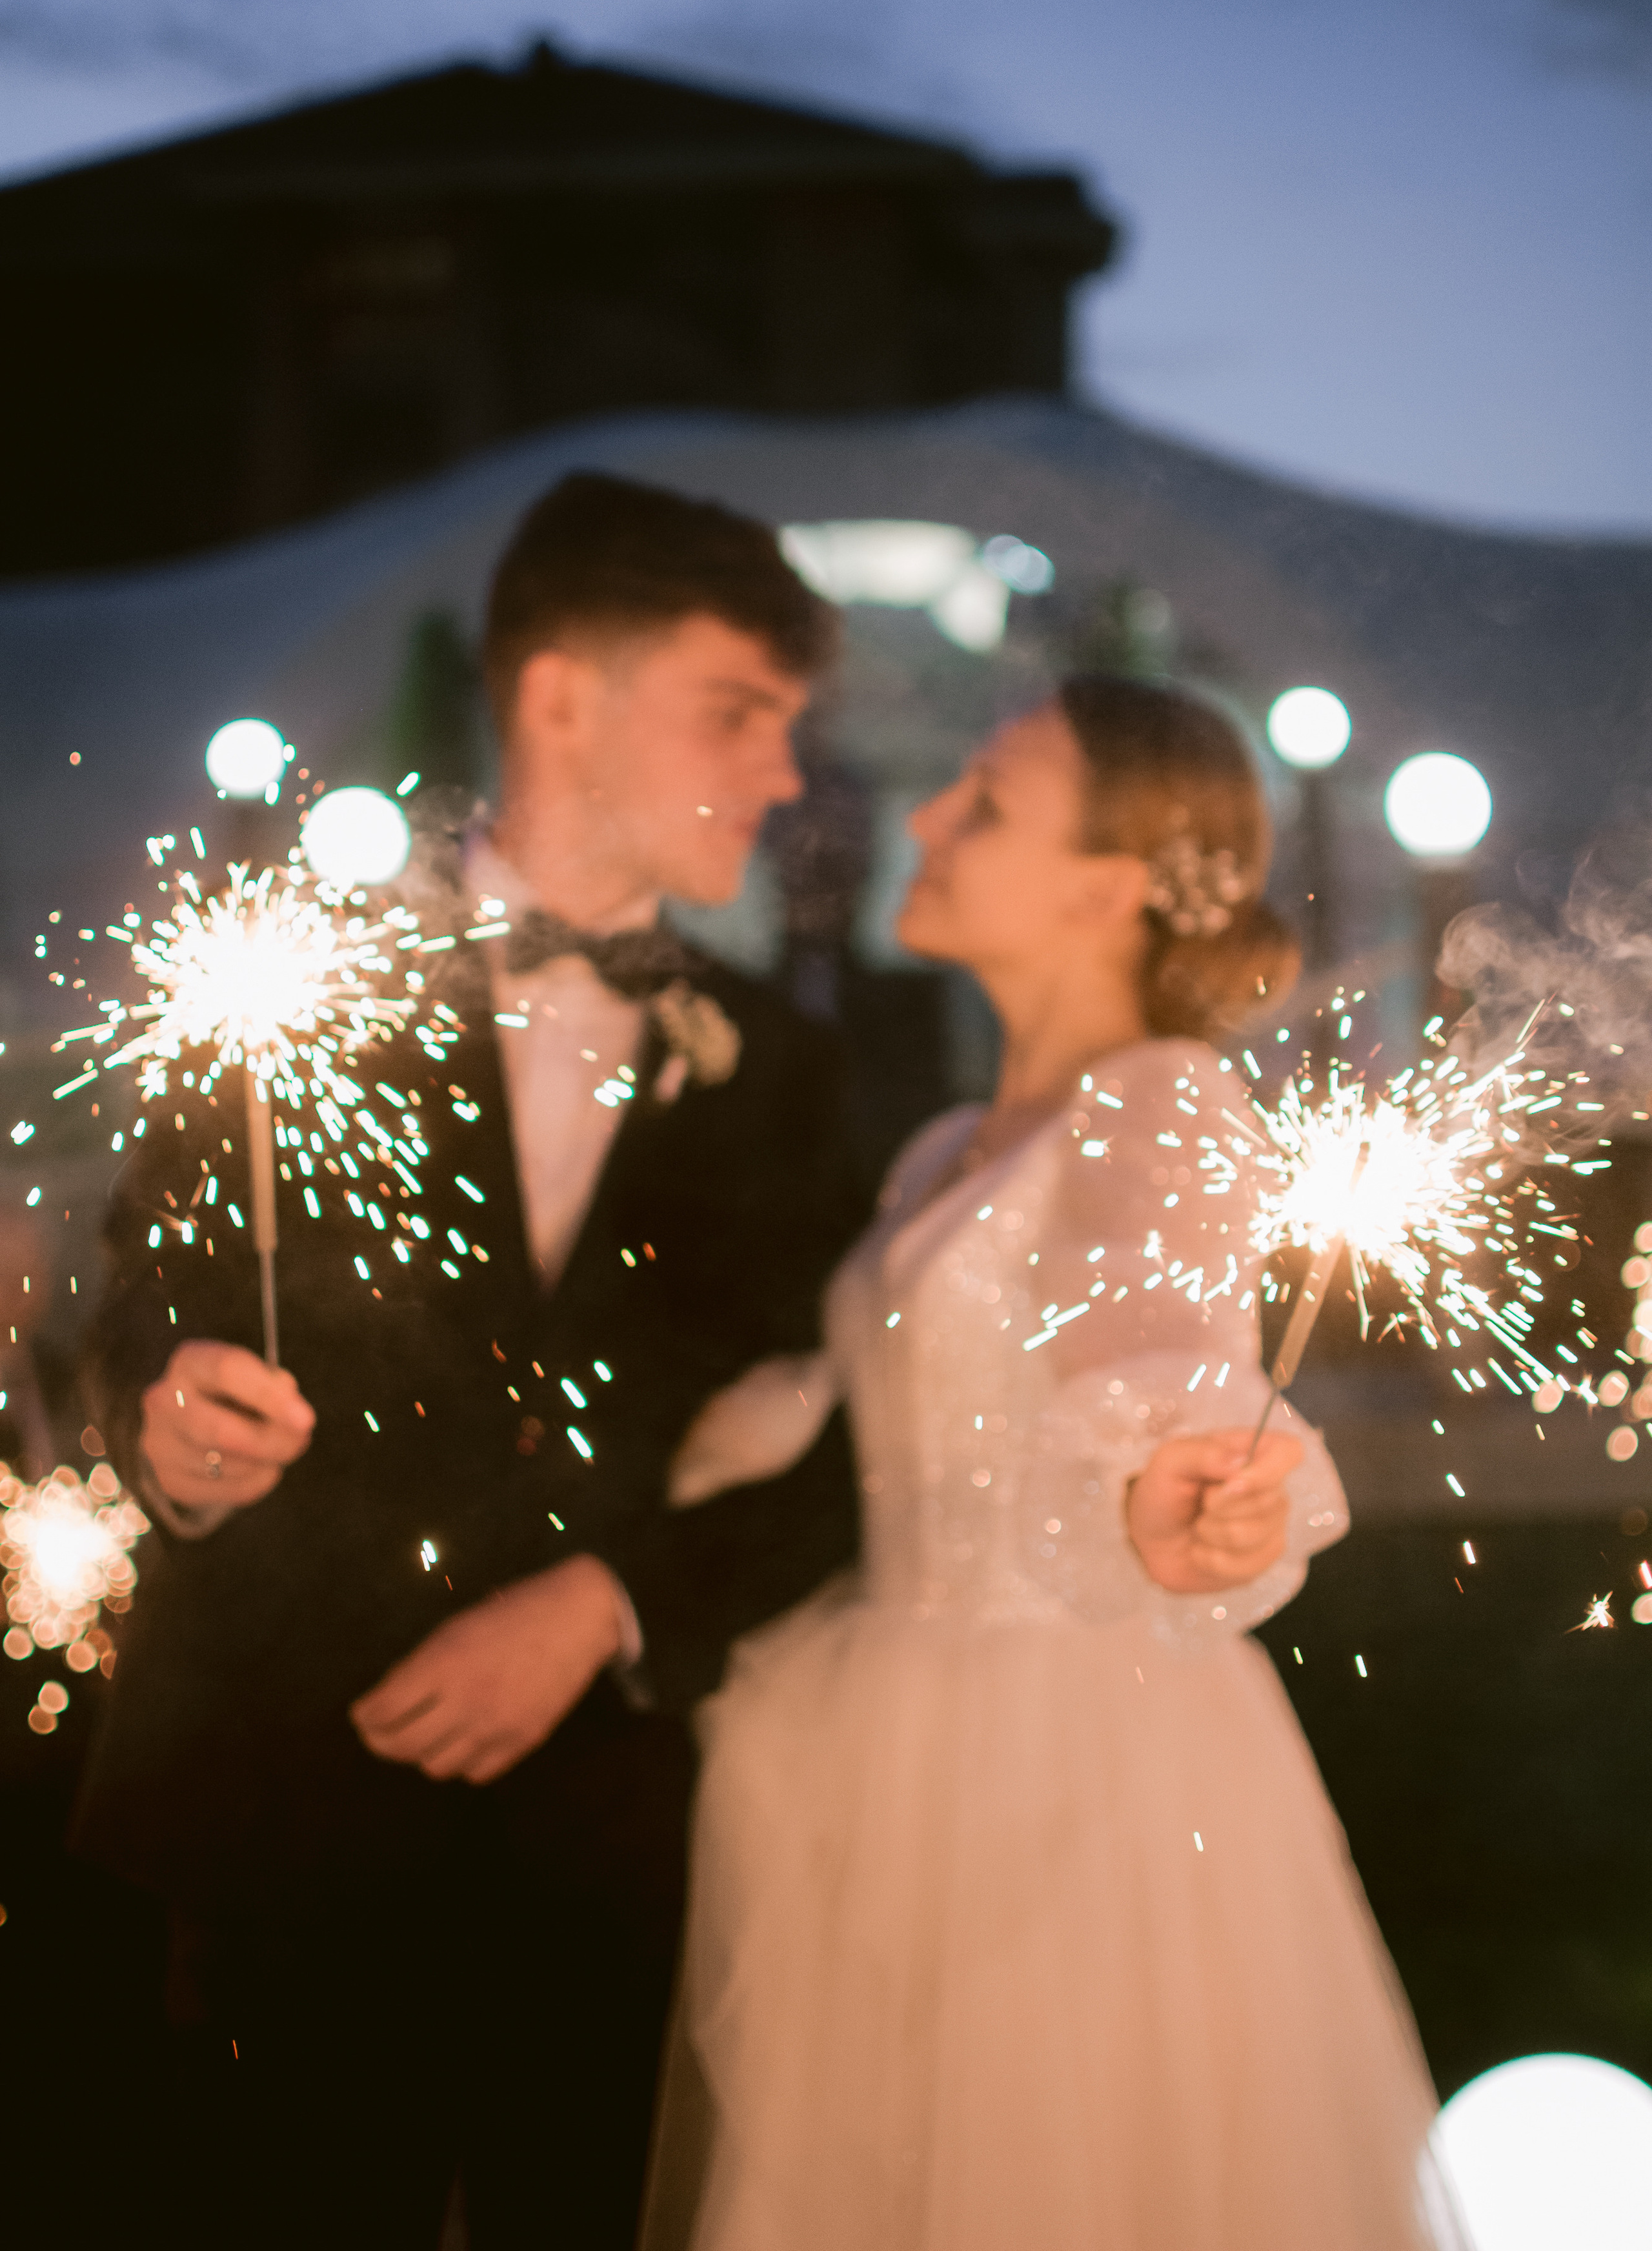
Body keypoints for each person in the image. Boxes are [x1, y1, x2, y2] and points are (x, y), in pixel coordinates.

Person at [72, 474, 867, 2250]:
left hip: (606, 1838)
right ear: (563, 694)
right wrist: (165, 1435)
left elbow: (861, 1458)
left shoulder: (793, 1077)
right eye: (740, 711)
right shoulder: (292, 986)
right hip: (277, 1796)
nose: (787, 774)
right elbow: (137, 1304)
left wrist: (610, 1603)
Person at [647, 677, 1466, 2251]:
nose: (928, 819)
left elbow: (1156, 1373)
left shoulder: (1155, 1109)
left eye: (986, 801)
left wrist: (1178, 1493)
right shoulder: (945, 1143)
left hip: (1046, 1768)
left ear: (1109, 884)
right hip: (866, 1722)